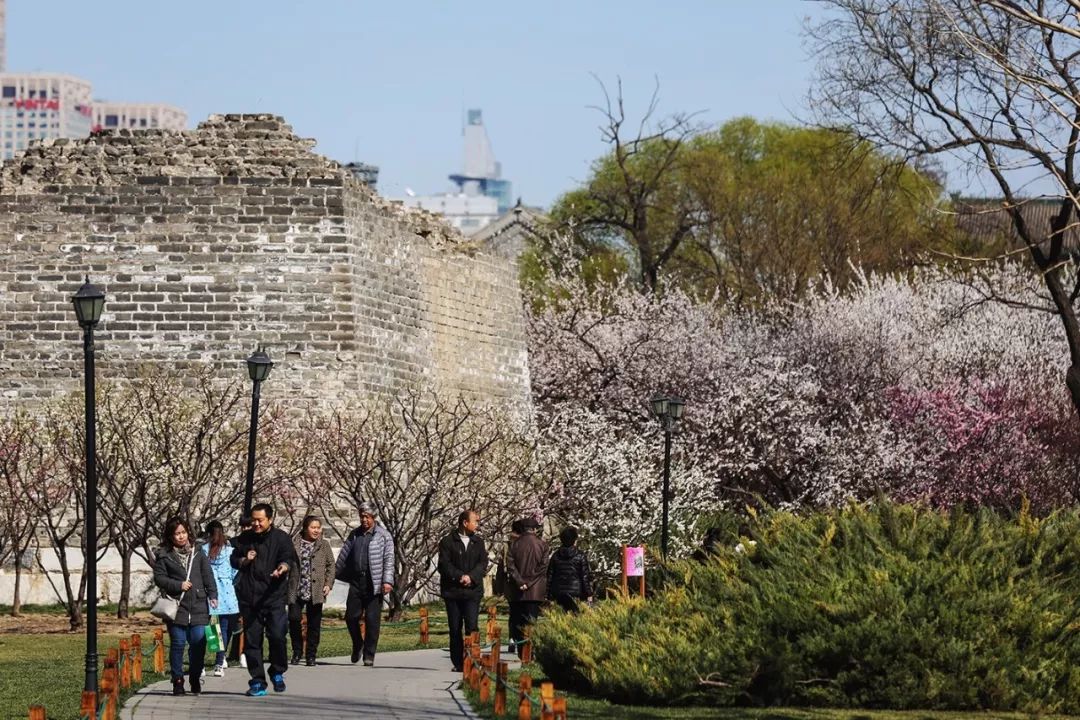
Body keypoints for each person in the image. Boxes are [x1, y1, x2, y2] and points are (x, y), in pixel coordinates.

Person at [231, 503, 295, 696]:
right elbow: (233, 558)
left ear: (270, 519)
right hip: (250, 598)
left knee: (277, 635)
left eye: (260, 520)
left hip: (274, 596)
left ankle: (277, 671)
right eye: (254, 520)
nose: (256, 524)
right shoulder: (245, 538)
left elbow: (288, 558)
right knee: (252, 641)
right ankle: (257, 681)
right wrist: (245, 560)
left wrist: (282, 568)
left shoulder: (281, 538)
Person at [153, 516, 218, 697]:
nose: (181, 537)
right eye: (176, 534)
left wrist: (213, 595)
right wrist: (178, 585)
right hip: (177, 606)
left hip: (198, 605)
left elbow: (208, 575)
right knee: (178, 644)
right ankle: (178, 681)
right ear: (170, 536)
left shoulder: (198, 552)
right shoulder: (164, 555)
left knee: (198, 643)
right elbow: (159, 578)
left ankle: (195, 677)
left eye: (183, 532)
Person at [334, 501, 395, 667]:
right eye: (362, 516)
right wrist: (332, 574)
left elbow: (389, 559)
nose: (364, 520)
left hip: (374, 582)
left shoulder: (383, 535)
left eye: (367, 517)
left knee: (372, 619)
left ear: (373, 517)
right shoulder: (354, 534)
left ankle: (369, 655)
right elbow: (343, 556)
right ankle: (357, 643)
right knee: (351, 617)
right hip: (356, 581)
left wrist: (387, 581)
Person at [437, 509, 488, 672]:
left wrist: (471, 577)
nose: (477, 525)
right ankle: (458, 662)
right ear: (465, 523)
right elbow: (444, 565)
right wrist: (460, 576)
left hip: (473, 591)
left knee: (472, 626)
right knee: (455, 627)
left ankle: (473, 659)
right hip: (453, 591)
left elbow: (482, 564)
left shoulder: (478, 542)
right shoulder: (447, 542)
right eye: (475, 521)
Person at [287, 515, 336, 666]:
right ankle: (297, 651)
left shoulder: (324, 545)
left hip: (316, 589)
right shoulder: (294, 542)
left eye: (318, 528)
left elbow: (331, 565)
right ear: (305, 528)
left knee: (314, 624)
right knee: (294, 619)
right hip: (297, 588)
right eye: (313, 527)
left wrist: (328, 583)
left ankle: (311, 655)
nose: (316, 531)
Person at [201, 520, 240, 677]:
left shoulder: (202, 551)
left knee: (206, 628)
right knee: (222, 629)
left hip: (207, 593)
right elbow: (235, 573)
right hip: (226, 594)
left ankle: (200, 664)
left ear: (208, 534)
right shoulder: (230, 551)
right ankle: (219, 664)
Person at [506, 517, 548, 659]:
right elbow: (542, 568)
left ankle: (520, 651)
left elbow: (510, 567)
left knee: (518, 621)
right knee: (531, 622)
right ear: (535, 529)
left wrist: (520, 582)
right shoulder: (542, 545)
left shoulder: (514, 545)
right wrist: (529, 582)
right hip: (534, 591)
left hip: (517, 591)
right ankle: (529, 652)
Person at [546, 527, 593, 613]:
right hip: (576, 593)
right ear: (574, 540)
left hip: (558, 592)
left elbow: (550, 576)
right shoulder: (580, 556)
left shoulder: (556, 556)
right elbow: (585, 577)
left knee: (559, 619)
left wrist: (548, 595)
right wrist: (589, 594)